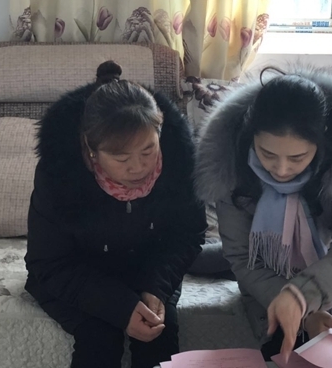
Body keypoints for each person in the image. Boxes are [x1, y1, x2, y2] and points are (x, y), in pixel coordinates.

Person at [195, 68, 332, 362]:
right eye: (267, 154)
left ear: (321, 142)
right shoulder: (232, 164)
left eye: (297, 157)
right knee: (282, 352)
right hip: (271, 283)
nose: (281, 169)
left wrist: (302, 297)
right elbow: (243, 258)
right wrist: (301, 311)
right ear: (250, 137)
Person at [25, 61, 207, 368]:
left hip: (149, 272)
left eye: (148, 151)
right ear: (91, 149)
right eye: (121, 158)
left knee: (159, 337)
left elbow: (188, 235)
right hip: (76, 276)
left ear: (160, 131)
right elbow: (49, 263)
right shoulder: (59, 175)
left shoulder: (180, 161)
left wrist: (156, 289)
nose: (138, 168)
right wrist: (119, 307)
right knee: (99, 338)